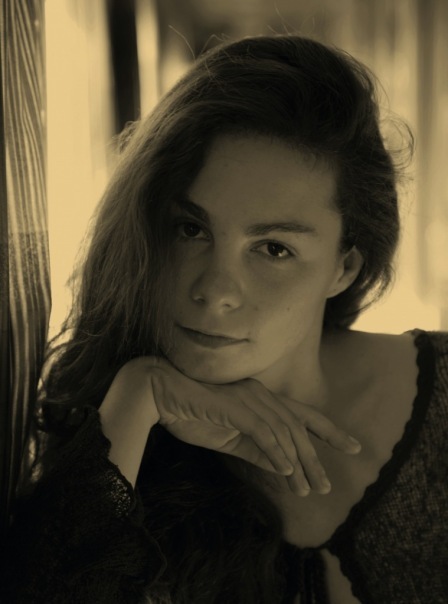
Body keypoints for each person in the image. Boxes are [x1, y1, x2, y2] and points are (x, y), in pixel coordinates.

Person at [2, 34, 447, 604]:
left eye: (274, 249)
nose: (214, 291)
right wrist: (139, 398)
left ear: (344, 268)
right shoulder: (113, 428)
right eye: (191, 230)